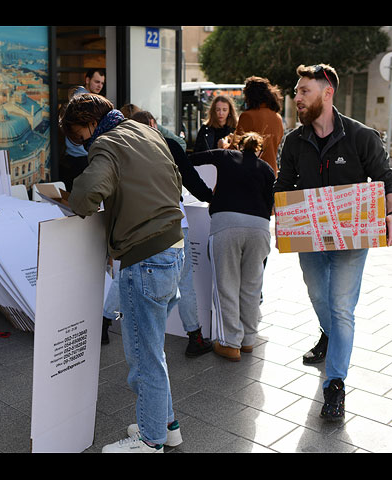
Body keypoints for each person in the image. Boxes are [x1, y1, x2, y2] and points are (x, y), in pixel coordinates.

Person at [274, 64, 392, 421]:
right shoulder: (293, 141)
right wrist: (283, 212)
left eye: (304, 91)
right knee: (318, 296)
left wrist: (391, 215)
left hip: (351, 241)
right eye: (297, 92)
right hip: (310, 240)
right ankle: (329, 335)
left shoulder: (361, 136)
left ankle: (335, 384)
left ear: (327, 93)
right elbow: (282, 187)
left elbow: (387, 180)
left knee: (342, 307)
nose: (296, 98)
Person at [60, 93, 185, 453]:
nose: (83, 143)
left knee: (143, 357)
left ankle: (150, 441)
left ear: (88, 123)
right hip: (173, 247)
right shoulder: (145, 132)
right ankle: (166, 425)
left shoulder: (106, 143)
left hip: (143, 256)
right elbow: (175, 178)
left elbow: (85, 195)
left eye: (80, 136)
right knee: (154, 349)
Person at [131, 109, 213, 356]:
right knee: (184, 281)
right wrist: (213, 198)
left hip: (141, 224)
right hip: (173, 222)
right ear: (154, 124)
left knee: (146, 281)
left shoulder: (130, 152)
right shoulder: (168, 147)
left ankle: (131, 331)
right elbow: (192, 180)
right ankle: (194, 337)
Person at [190, 133, 275, 361]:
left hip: (226, 224)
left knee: (226, 284)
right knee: (251, 286)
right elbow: (270, 205)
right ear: (259, 150)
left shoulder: (225, 155)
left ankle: (230, 343)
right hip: (259, 228)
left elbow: (194, 159)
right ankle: (248, 341)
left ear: (239, 145)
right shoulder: (266, 169)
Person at [235, 76, 284, 175]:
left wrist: (223, 145)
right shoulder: (277, 117)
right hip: (272, 172)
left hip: (252, 173)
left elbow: (236, 148)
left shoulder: (247, 116)